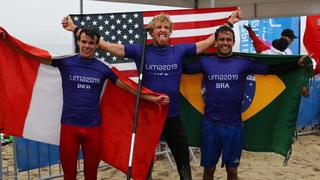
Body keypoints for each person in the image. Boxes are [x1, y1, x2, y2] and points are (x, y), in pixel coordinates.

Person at [62, 9, 242, 180]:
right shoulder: (141, 51)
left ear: (170, 32)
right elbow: (108, 47)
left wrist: (229, 23)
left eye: (166, 27)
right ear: (151, 32)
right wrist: (76, 29)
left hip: (172, 115)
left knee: (183, 160)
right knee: (144, 162)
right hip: (147, 117)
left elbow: (208, 42)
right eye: (158, 27)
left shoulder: (179, 51)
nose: (162, 30)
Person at [3, 27, 169, 180]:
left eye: (91, 43)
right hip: (69, 128)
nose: (87, 46)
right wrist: (8, 41)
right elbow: (34, 55)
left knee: (91, 175)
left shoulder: (103, 68)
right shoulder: (65, 61)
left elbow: (127, 86)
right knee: (69, 175)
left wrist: (151, 98)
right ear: (78, 42)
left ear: (97, 45)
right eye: (84, 42)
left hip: (93, 130)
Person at [183, 25, 307, 180]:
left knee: (232, 171)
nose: (225, 42)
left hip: (234, 127)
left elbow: (271, 70)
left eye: (228, 40)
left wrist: (296, 64)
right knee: (209, 170)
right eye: (221, 39)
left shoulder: (243, 63)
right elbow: (182, 69)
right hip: (210, 126)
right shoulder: (205, 63)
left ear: (233, 42)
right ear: (216, 42)